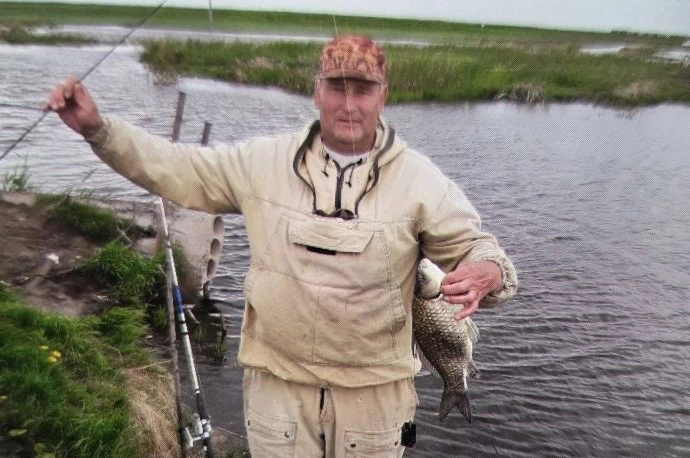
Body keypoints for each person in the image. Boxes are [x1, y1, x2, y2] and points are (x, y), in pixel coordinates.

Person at [46, 35, 517, 458]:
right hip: (278, 392)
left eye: (362, 90)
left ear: (383, 96)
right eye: (336, 88)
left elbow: (479, 248)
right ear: (316, 91)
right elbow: (176, 167)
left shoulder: (421, 181)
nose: (348, 104)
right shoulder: (261, 162)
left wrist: (488, 272)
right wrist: (99, 130)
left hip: (376, 399)